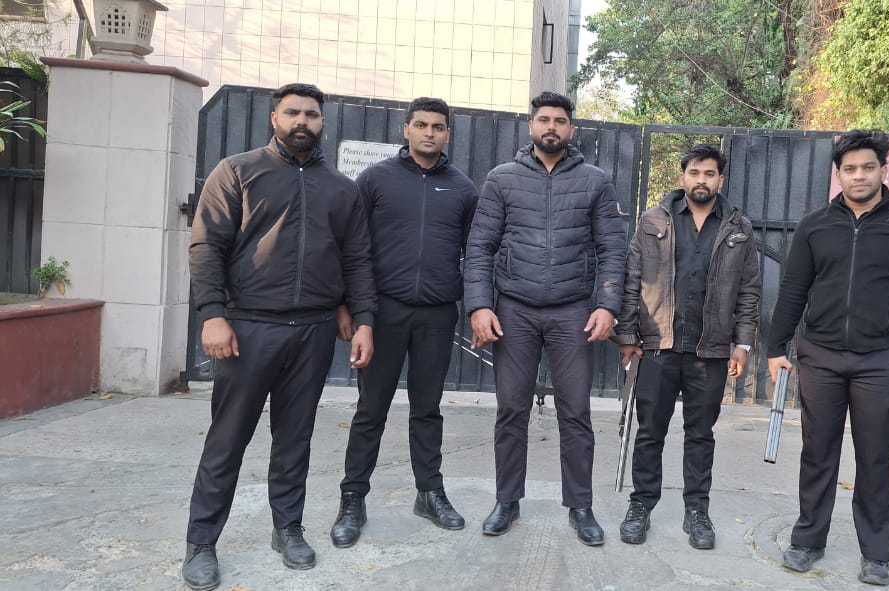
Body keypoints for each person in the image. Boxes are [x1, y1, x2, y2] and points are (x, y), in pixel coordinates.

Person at [183, 83, 377, 590]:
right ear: (275, 119)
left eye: (311, 114)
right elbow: (207, 247)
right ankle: (201, 542)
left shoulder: (342, 188)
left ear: (323, 122)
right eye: (292, 112)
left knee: (295, 439)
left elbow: (357, 259)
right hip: (248, 327)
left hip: (313, 331)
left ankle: (288, 529)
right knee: (228, 439)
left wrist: (362, 318)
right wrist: (212, 314)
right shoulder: (237, 172)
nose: (302, 121)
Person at [765, 130, 889, 586]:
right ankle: (808, 540)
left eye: (868, 167)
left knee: (874, 458)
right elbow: (793, 290)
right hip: (820, 357)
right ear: (838, 174)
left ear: (883, 170)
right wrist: (774, 348)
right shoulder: (815, 225)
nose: (859, 176)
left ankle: (876, 554)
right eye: (849, 169)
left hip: (878, 360)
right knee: (817, 453)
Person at [463, 91, 628, 546]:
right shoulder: (502, 179)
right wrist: (479, 305)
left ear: (572, 129)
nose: (551, 127)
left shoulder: (595, 181)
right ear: (531, 125)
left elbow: (613, 249)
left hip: (573, 311)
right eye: (544, 119)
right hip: (514, 309)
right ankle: (506, 500)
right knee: (511, 410)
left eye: (560, 120)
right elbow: (479, 247)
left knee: (575, 412)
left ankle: (581, 506)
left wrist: (607, 305)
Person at [329, 97, 479, 548]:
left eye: (438, 126)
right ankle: (352, 498)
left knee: (427, 409)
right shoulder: (375, 180)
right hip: (383, 313)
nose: (429, 133)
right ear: (406, 129)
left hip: (437, 314)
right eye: (421, 125)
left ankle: (429, 493)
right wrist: (349, 308)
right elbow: (351, 248)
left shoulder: (463, 189)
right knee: (370, 410)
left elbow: (477, 255)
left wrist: (478, 306)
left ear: (448, 134)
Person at [612, 144, 761, 550]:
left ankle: (697, 511)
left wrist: (743, 343)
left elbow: (749, 290)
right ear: (683, 177)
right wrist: (627, 337)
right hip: (658, 346)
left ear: (720, 180)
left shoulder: (738, 228)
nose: (701, 180)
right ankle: (641, 505)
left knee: (700, 435)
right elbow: (631, 280)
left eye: (709, 173)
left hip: (710, 350)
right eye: (695, 172)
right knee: (650, 433)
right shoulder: (653, 221)